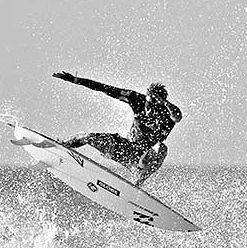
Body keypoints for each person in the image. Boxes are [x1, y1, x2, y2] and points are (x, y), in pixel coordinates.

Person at [53, 71, 182, 186]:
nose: (150, 109)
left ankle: (138, 182)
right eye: (149, 103)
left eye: (155, 105)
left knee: (162, 148)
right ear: (146, 97)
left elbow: (178, 117)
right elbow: (105, 88)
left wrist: (163, 103)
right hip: (125, 149)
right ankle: (59, 146)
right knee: (87, 137)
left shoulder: (168, 115)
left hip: (142, 159)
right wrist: (76, 80)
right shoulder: (137, 100)